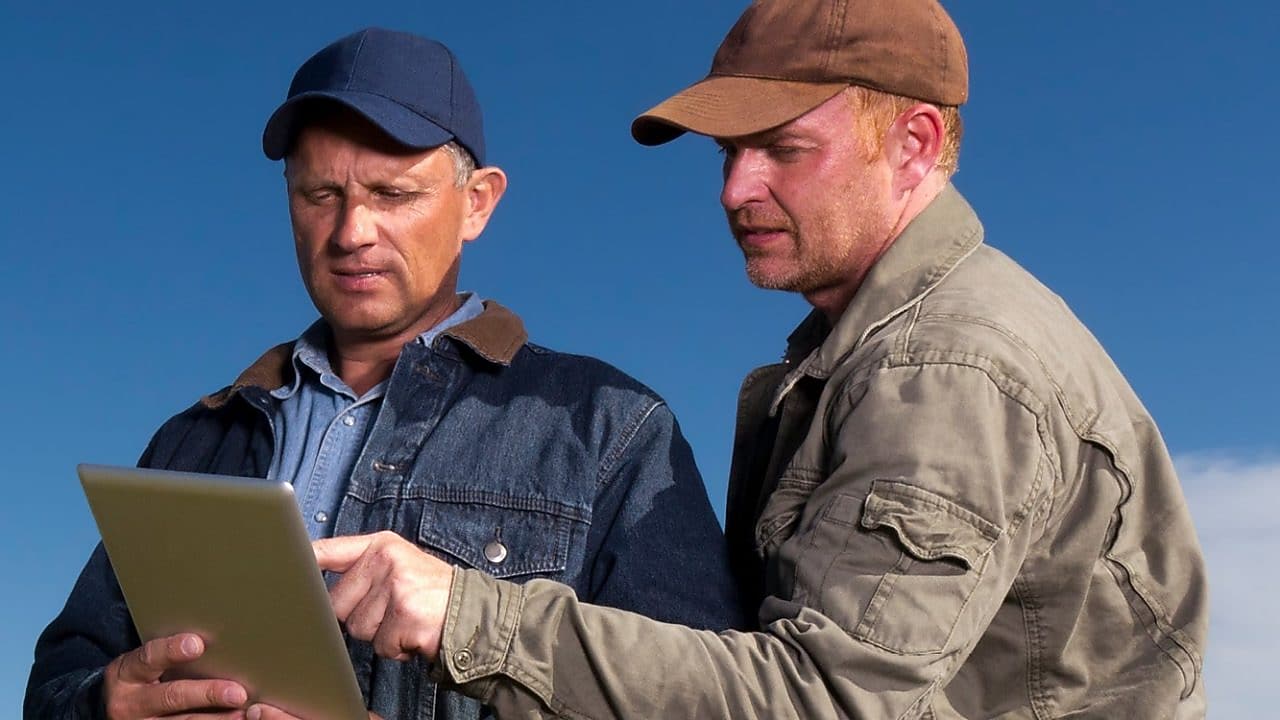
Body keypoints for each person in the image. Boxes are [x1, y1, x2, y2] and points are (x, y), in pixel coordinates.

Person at [294, 2, 1211, 719]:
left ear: (916, 144)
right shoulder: (864, 352)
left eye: (782, 148)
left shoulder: (949, 367)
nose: (737, 188)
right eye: (730, 151)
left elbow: (823, 701)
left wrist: (466, 614)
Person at [24, 27, 746, 720]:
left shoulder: (609, 429)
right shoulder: (193, 441)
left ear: (477, 203)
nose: (351, 232)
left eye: (393, 195)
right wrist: (102, 702)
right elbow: (61, 676)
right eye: (319, 195)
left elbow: (705, 704)